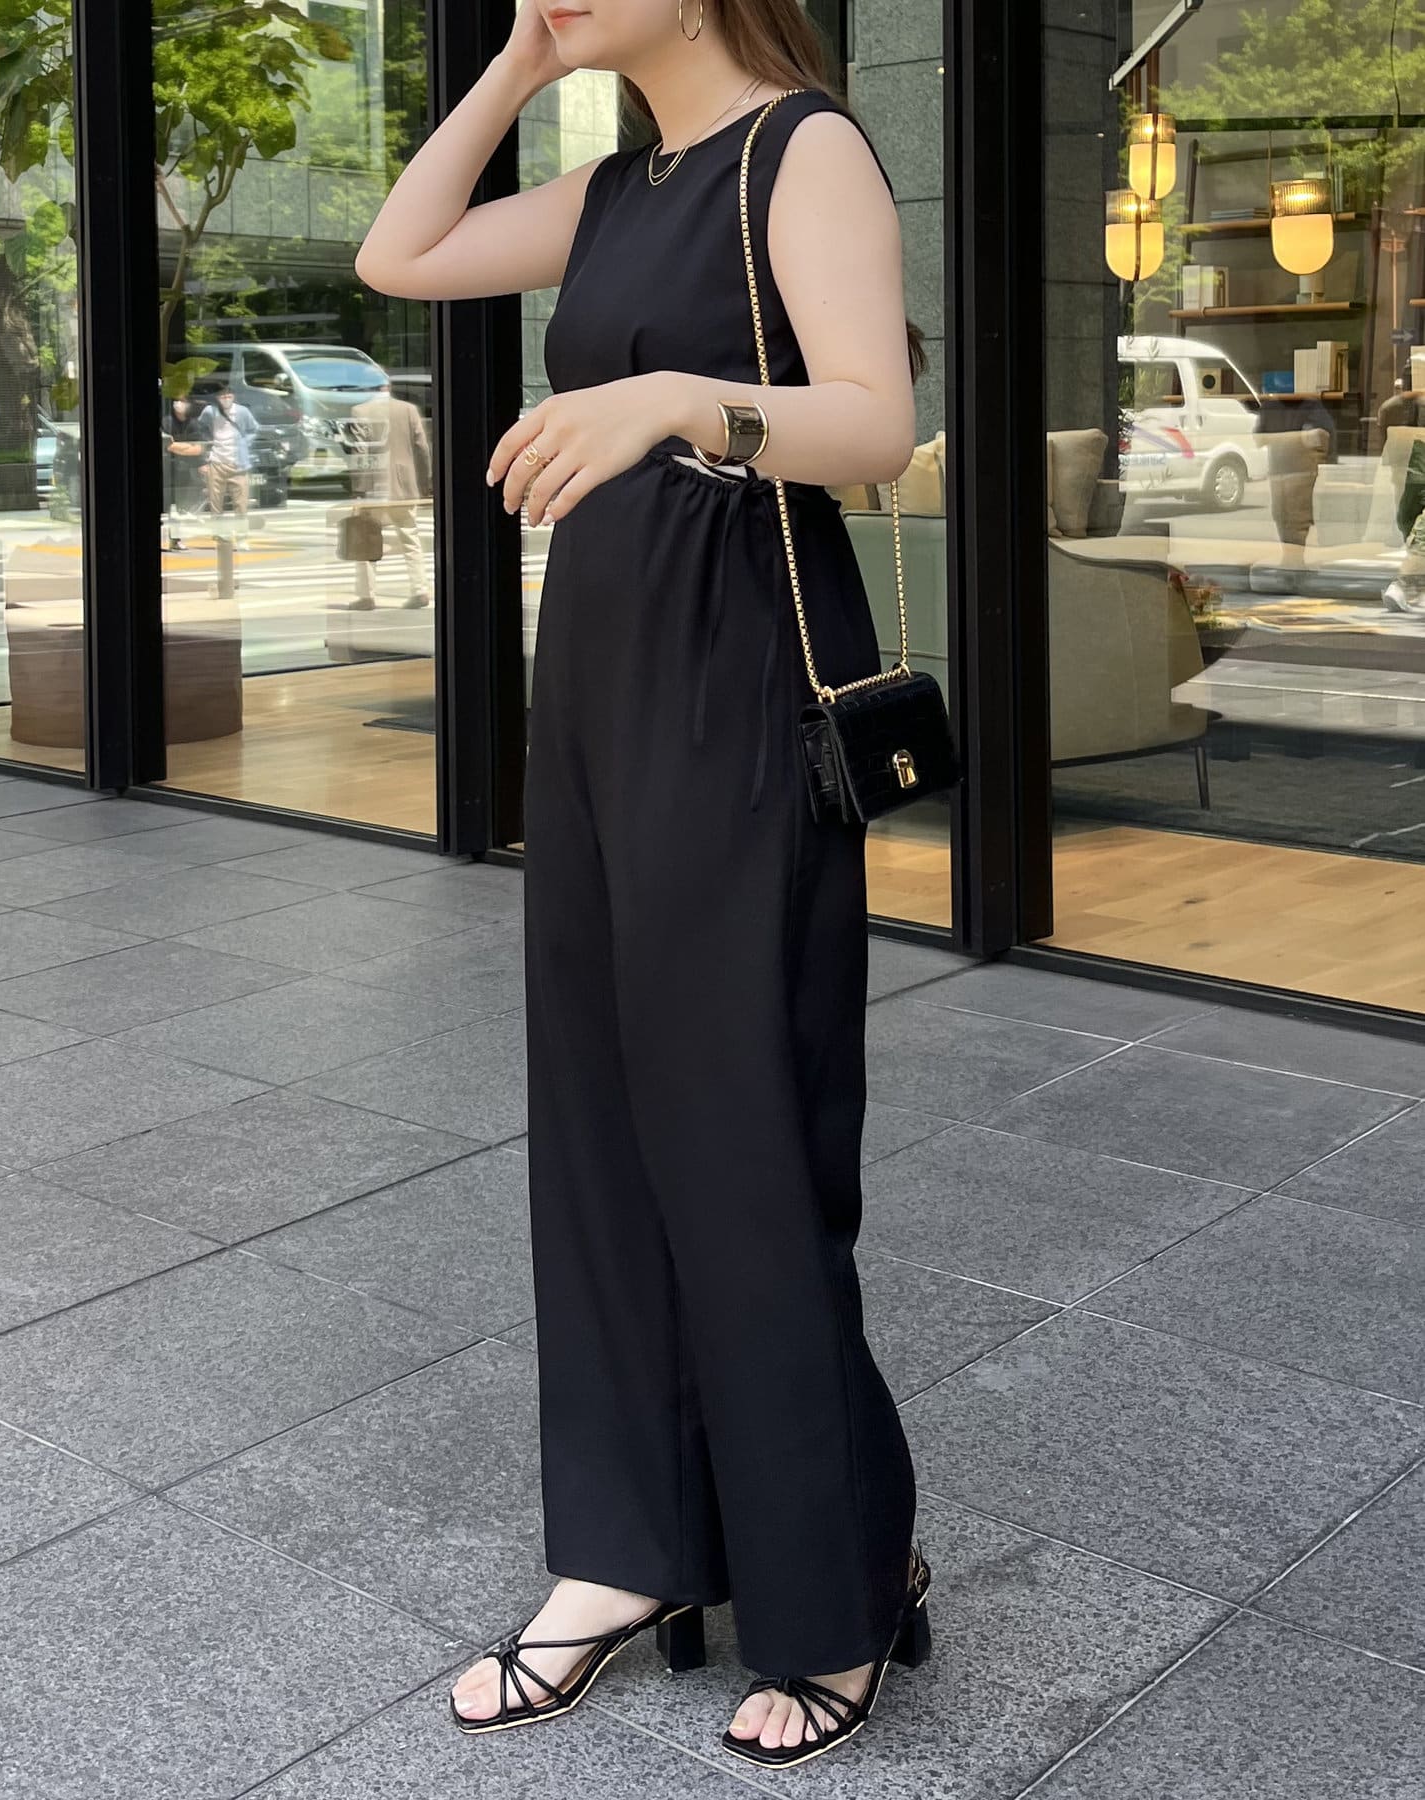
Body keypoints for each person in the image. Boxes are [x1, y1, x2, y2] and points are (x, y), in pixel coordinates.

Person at [356, 0, 928, 1771]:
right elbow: (401, 255)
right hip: (603, 692)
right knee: (601, 1124)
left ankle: (835, 1591)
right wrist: (520, 68)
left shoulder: (801, 150)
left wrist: (680, 401)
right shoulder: (617, 188)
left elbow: (877, 428)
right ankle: (622, 1555)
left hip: (743, 685)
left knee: (737, 1134)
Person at [345, 380, 433, 610]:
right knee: (410, 538)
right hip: (404, 486)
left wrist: (359, 489)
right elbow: (422, 448)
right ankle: (419, 589)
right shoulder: (408, 410)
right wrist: (424, 483)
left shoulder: (360, 411)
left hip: (374, 487)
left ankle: (366, 595)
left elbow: (360, 452)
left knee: (366, 541)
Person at [196, 385, 260, 527]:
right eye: (222, 395)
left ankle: (241, 535)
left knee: (241, 504)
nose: (226, 398)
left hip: (238, 464)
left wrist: (244, 443)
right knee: (215, 503)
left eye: (229, 395)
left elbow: (254, 428)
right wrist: (208, 442)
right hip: (216, 462)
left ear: (233, 396)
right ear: (217, 397)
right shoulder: (210, 411)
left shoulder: (242, 411)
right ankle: (218, 534)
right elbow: (200, 427)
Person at [163, 393, 205, 551]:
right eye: (176, 401)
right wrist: (186, 448)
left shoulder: (194, 424)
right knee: (165, 507)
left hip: (185, 472)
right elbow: (167, 445)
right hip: (167, 470)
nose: (179, 404)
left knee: (180, 508)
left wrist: (177, 447)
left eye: (182, 401)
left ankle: (175, 540)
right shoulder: (166, 422)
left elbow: (198, 449)